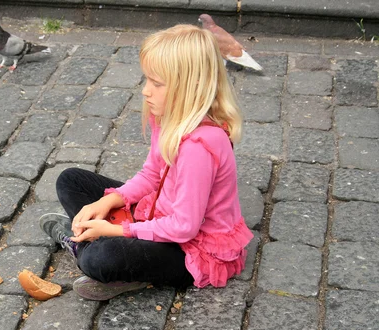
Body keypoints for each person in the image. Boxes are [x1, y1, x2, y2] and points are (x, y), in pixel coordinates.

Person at [40, 24, 253, 301]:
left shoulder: (199, 149)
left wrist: (118, 230)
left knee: (100, 259)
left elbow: (184, 228)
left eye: (157, 83)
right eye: (147, 80)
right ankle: (98, 241)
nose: (145, 91)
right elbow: (152, 175)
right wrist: (108, 201)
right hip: (158, 214)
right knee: (70, 180)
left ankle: (87, 247)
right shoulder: (168, 117)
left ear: (191, 87)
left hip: (190, 248)